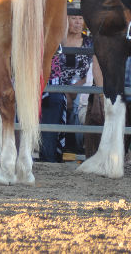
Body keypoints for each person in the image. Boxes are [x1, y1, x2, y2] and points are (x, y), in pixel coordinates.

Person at [40, 15, 95, 160]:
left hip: (83, 87)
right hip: (58, 86)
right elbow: (53, 68)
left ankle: (78, 149)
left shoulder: (90, 42)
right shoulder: (56, 42)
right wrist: (65, 91)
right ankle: (58, 151)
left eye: (81, 18)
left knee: (78, 108)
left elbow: (93, 69)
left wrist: (78, 87)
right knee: (56, 104)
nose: (78, 22)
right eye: (73, 18)